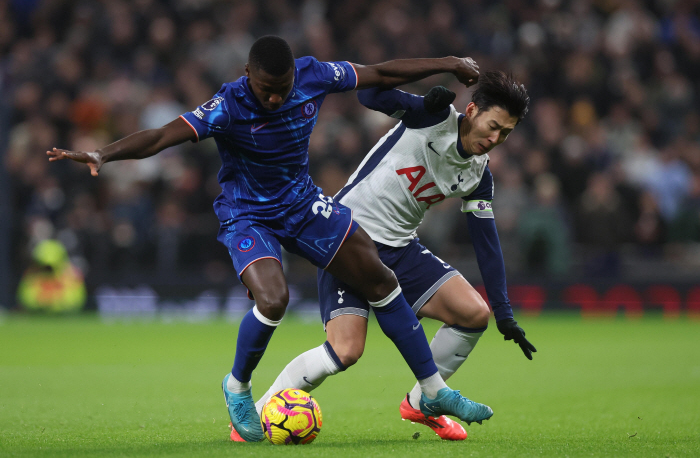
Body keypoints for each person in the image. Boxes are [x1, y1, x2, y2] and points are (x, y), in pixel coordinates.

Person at [48, 35, 492, 442]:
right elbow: (165, 135)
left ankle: (432, 391)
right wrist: (103, 153)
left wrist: (449, 63)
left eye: (282, 87)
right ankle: (237, 386)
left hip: (302, 205)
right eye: (266, 90)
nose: (276, 96)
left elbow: (380, 73)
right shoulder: (228, 104)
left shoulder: (313, 75)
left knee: (380, 279)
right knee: (274, 299)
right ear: (247, 75)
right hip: (247, 215)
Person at [255, 71, 536, 441]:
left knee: (473, 314)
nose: (495, 138)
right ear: (472, 110)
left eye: (506, 133)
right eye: (494, 126)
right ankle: (257, 413)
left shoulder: (478, 176)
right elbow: (368, 94)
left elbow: (486, 242)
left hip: (400, 248)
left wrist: (503, 309)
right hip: (346, 238)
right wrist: (417, 101)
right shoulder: (433, 117)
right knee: (346, 351)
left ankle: (422, 402)